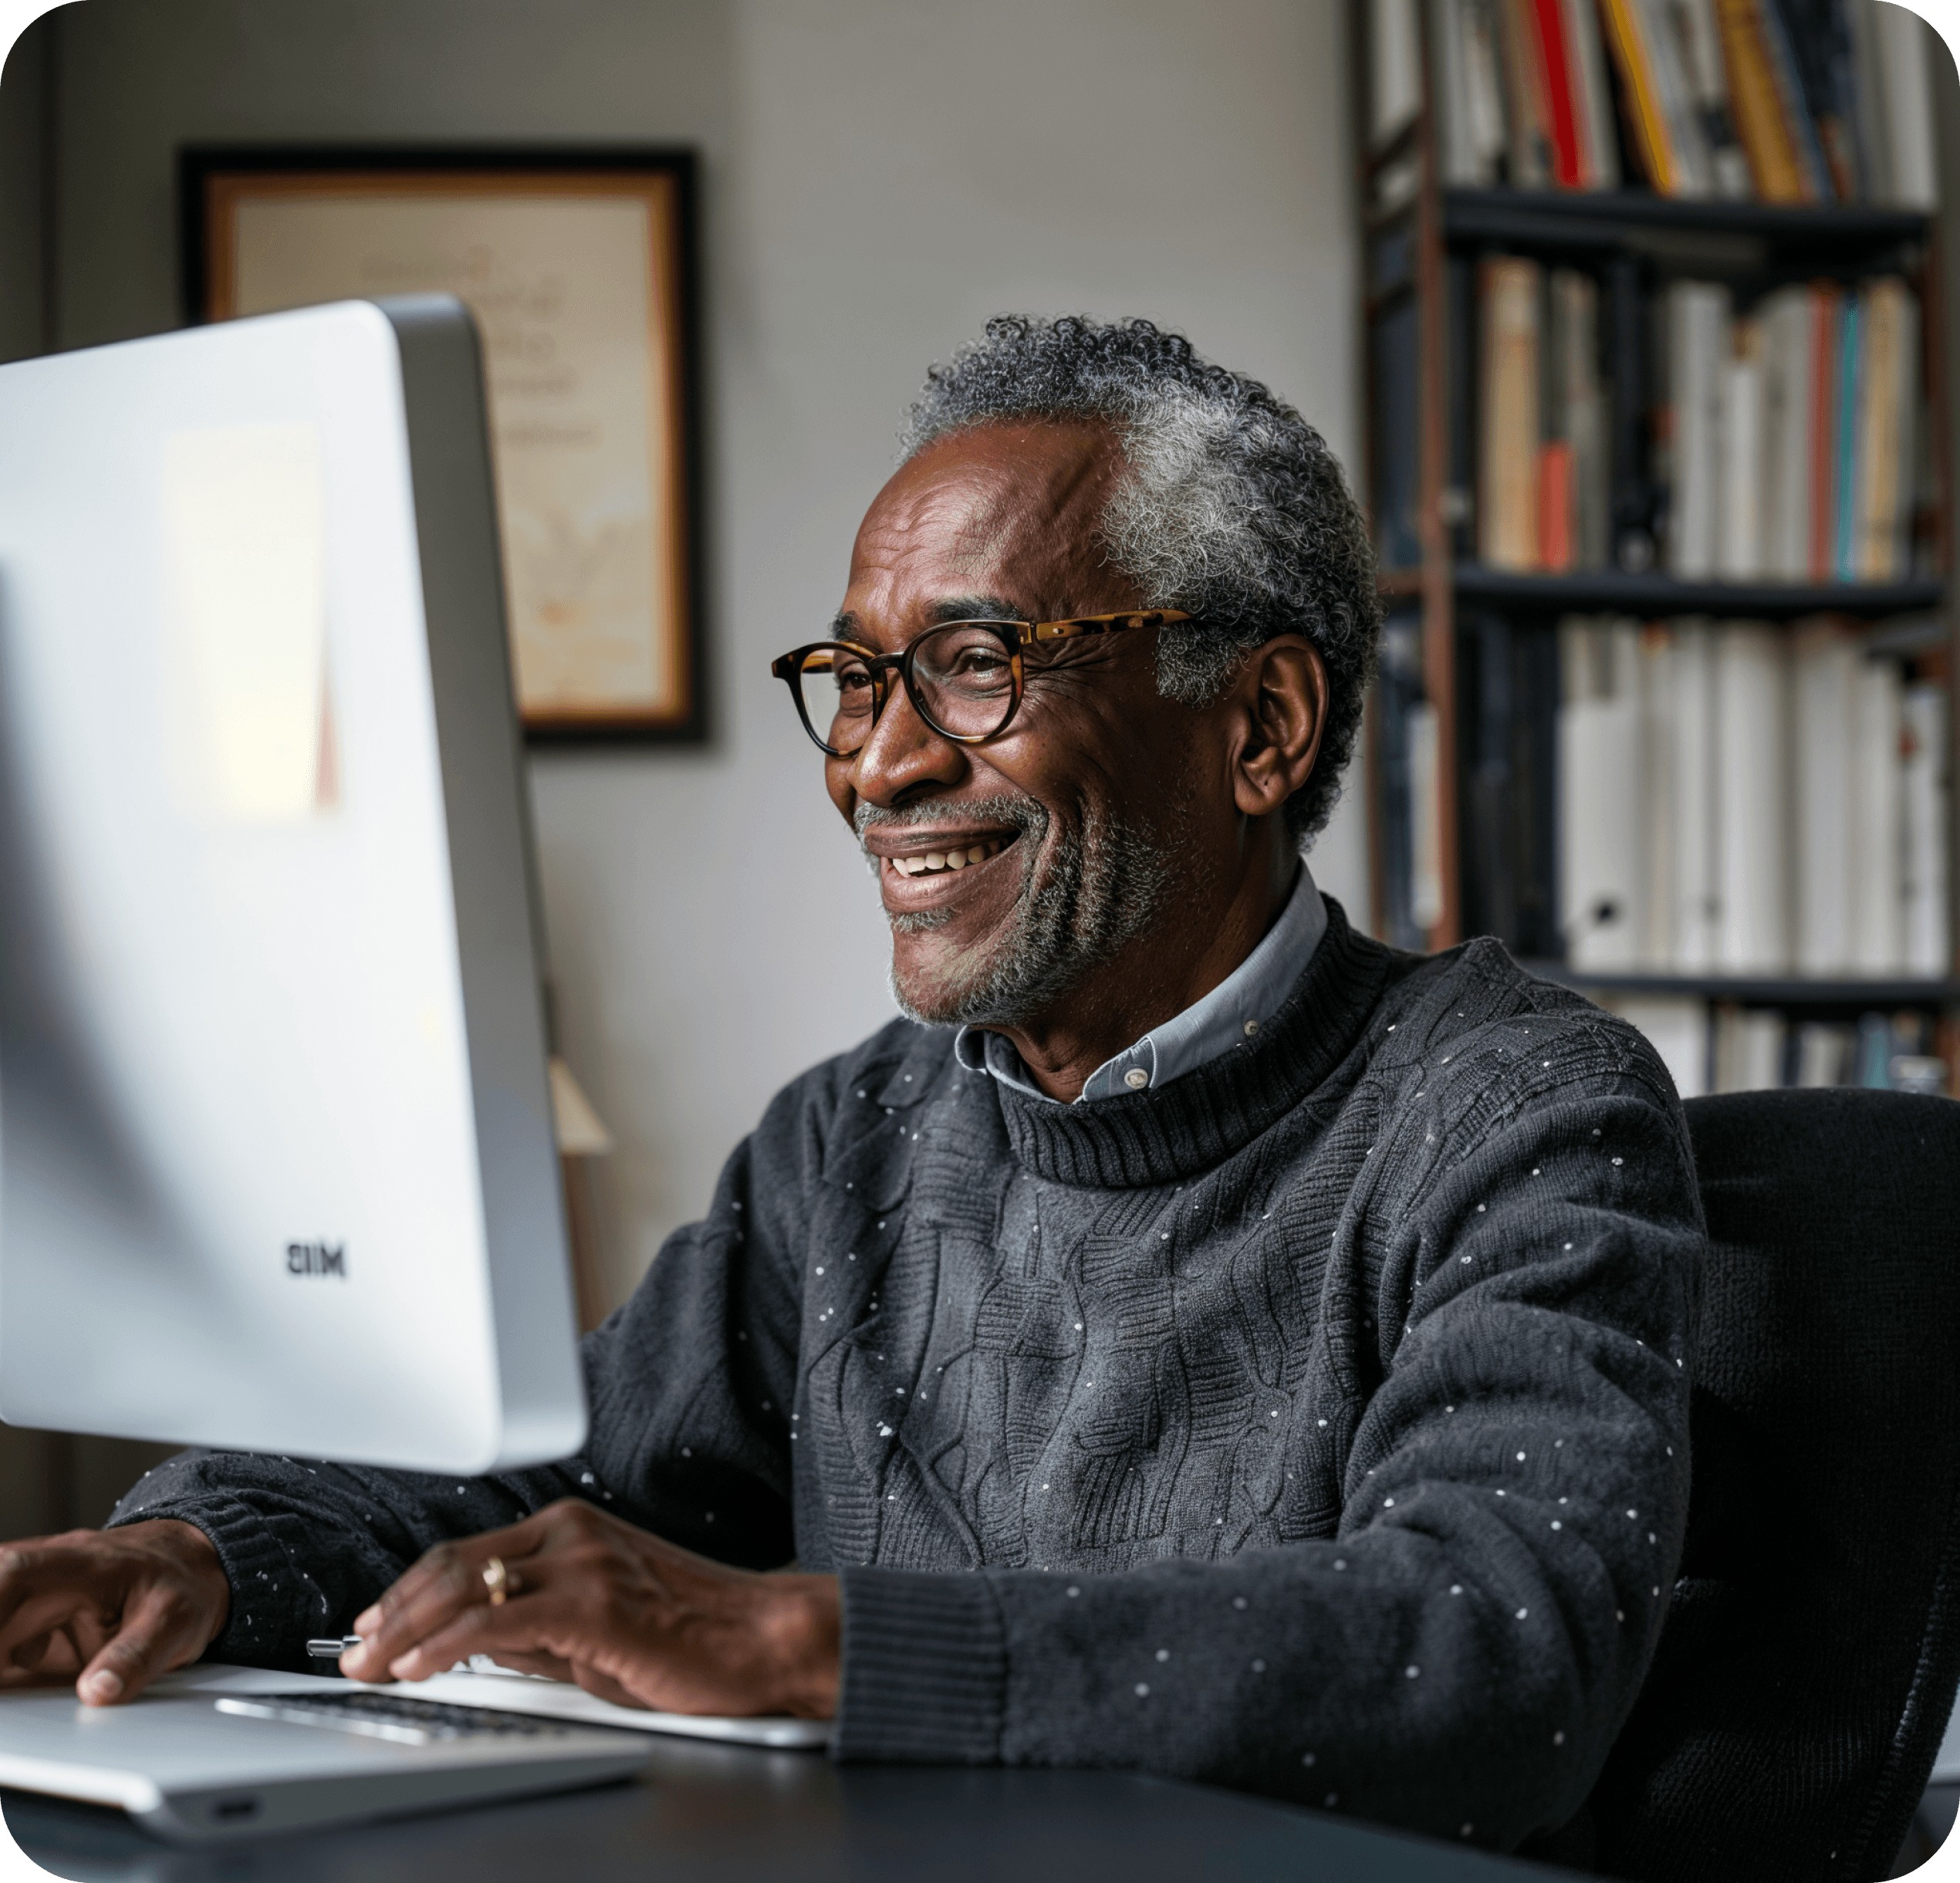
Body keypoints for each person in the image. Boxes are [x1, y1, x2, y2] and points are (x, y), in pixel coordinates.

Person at [0, 316, 1701, 1857]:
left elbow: (1498, 1644)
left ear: (1256, 723)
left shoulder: (1516, 1101)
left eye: (976, 662)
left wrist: (798, 1639)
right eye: (857, 679)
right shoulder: (852, 1136)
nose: (878, 763)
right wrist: (192, 1552)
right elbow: (523, 1481)